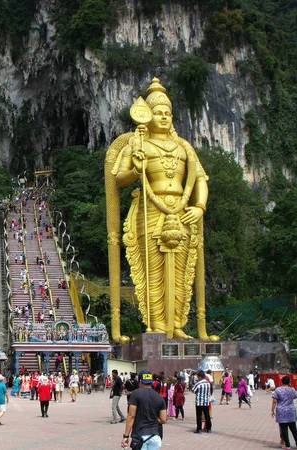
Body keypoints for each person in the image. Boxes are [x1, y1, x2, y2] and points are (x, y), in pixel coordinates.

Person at [105, 77, 218, 343]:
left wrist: (199, 207)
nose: (164, 117)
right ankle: (156, 325)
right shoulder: (138, 143)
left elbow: (200, 179)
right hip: (149, 209)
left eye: (168, 113)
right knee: (152, 270)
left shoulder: (184, 147)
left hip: (182, 209)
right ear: (148, 116)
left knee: (181, 272)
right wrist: (136, 169)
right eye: (158, 112)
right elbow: (118, 179)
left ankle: (178, 325)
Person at [121, 370, 167, 450]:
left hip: (140, 436)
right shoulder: (159, 397)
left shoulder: (136, 394)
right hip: (155, 436)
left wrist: (126, 436)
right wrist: (154, 418)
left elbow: (131, 416)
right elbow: (163, 419)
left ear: (140, 382)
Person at [272, 375, 297, 450]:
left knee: (284, 429)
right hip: (290, 410)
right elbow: (295, 396)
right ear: (289, 382)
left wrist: (272, 410)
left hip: (281, 411)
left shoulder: (278, 390)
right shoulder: (292, 389)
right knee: (293, 428)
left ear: (282, 381)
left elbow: (274, 401)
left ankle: (288, 445)